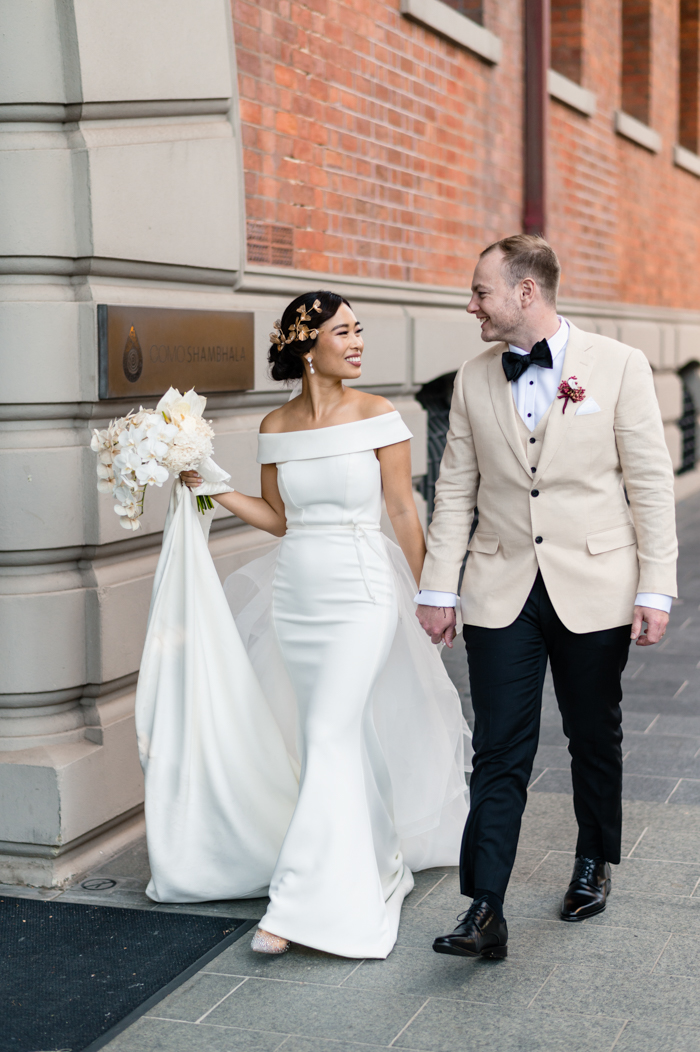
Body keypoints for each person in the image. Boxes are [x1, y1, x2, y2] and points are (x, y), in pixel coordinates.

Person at [179, 289, 469, 959]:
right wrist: (213, 485)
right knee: (333, 739)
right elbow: (279, 518)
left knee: (329, 730)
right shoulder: (277, 427)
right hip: (297, 596)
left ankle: (298, 904)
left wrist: (434, 592)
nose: (359, 342)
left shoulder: (380, 415)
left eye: (359, 330)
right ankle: (375, 855)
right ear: (308, 345)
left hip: (361, 594)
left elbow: (402, 511)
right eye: (345, 332)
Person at [416, 235, 678, 960]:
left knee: (593, 733)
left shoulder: (619, 367)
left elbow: (651, 485)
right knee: (499, 745)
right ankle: (485, 906)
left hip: (595, 583)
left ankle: (593, 861)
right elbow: (456, 489)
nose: (472, 305)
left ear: (525, 293)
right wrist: (439, 585)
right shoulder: (470, 379)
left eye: (481, 293)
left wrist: (655, 586)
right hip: (500, 586)